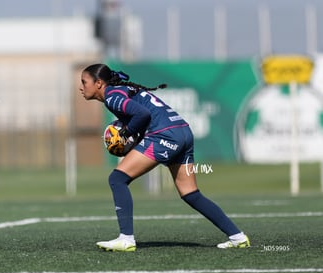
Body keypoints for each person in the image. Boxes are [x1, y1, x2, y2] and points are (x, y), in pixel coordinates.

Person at [79, 63, 250, 252]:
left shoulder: (112, 96)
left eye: (84, 82)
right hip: (183, 132)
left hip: (165, 135)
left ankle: (126, 239)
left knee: (117, 179)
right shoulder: (122, 90)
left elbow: (141, 114)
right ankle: (237, 237)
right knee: (190, 193)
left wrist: (126, 134)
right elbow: (145, 114)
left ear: (99, 83)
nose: (81, 87)